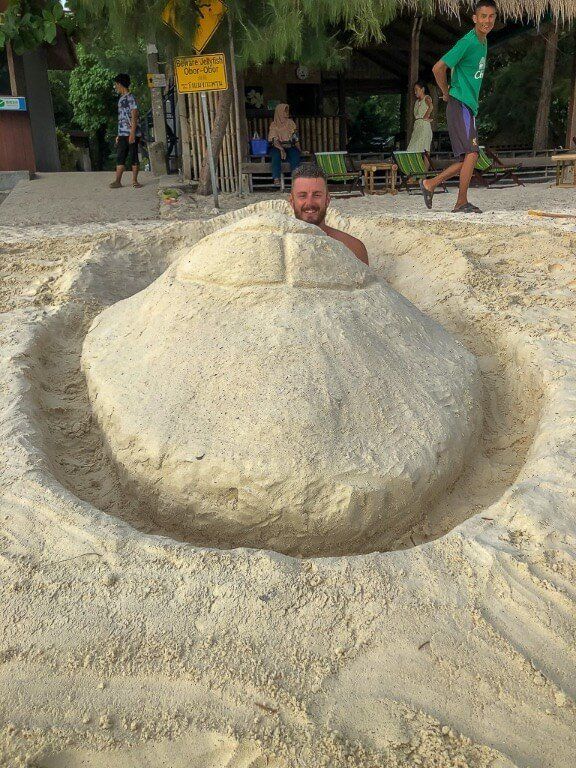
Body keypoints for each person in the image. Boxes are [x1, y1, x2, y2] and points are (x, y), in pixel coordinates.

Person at [420, 0, 497, 214]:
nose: (487, 21)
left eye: (491, 16)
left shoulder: (483, 41)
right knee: (472, 154)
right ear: (475, 18)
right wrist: (446, 92)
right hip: (459, 103)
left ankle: (430, 184)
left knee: (467, 158)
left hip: (468, 106)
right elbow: (438, 68)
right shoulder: (468, 41)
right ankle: (461, 202)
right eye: (483, 16)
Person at [289, 163, 369, 266]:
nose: (309, 203)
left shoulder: (353, 248)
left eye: (317, 195)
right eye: (302, 196)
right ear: (292, 201)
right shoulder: (280, 246)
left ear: (327, 200)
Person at [110, 73, 143, 189]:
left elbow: (134, 115)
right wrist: (119, 134)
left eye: (116, 84)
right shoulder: (121, 99)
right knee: (120, 156)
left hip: (131, 133)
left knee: (133, 156)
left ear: (120, 84)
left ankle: (135, 181)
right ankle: (117, 181)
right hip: (123, 133)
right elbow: (122, 118)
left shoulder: (130, 98)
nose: (115, 87)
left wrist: (133, 133)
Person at [268, 103, 302, 187]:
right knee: (275, 155)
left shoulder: (291, 123)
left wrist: (300, 150)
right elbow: (274, 140)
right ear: (279, 112)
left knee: (295, 155)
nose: (287, 113)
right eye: (285, 111)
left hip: (289, 146)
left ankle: (295, 179)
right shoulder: (274, 125)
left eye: (287, 111)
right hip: (277, 146)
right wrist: (281, 149)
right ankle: (276, 178)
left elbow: (295, 138)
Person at [407, 80, 433, 154]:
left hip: (424, 126)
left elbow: (431, 106)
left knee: (425, 149)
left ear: (422, 89)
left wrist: (425, 116)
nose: (415, 92)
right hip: (417, 126)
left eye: (416, 90)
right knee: (412, 148)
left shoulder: (427, 98)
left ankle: (425, 166)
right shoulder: (416, 102)